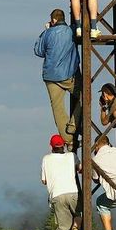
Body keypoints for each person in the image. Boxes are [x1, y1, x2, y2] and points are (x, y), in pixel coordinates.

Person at [34, 9, 81, 149]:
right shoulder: (71, 31)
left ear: (53, 20)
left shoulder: (48, 33)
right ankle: (73, 124)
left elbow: (38, 51)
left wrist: (45, 31)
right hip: (69, 75)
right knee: (85, 97)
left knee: (57, 108)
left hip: (50, 76)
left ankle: (68, 140)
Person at [41, 134, 81, 230]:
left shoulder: (46, 159)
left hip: (56, 195)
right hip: (72, 192)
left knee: (63, 228)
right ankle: (76, 225)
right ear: (63, 145)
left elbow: (44, 180)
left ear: (51, 146)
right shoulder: (71, 156)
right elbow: (80, 169)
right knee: (78, 213)